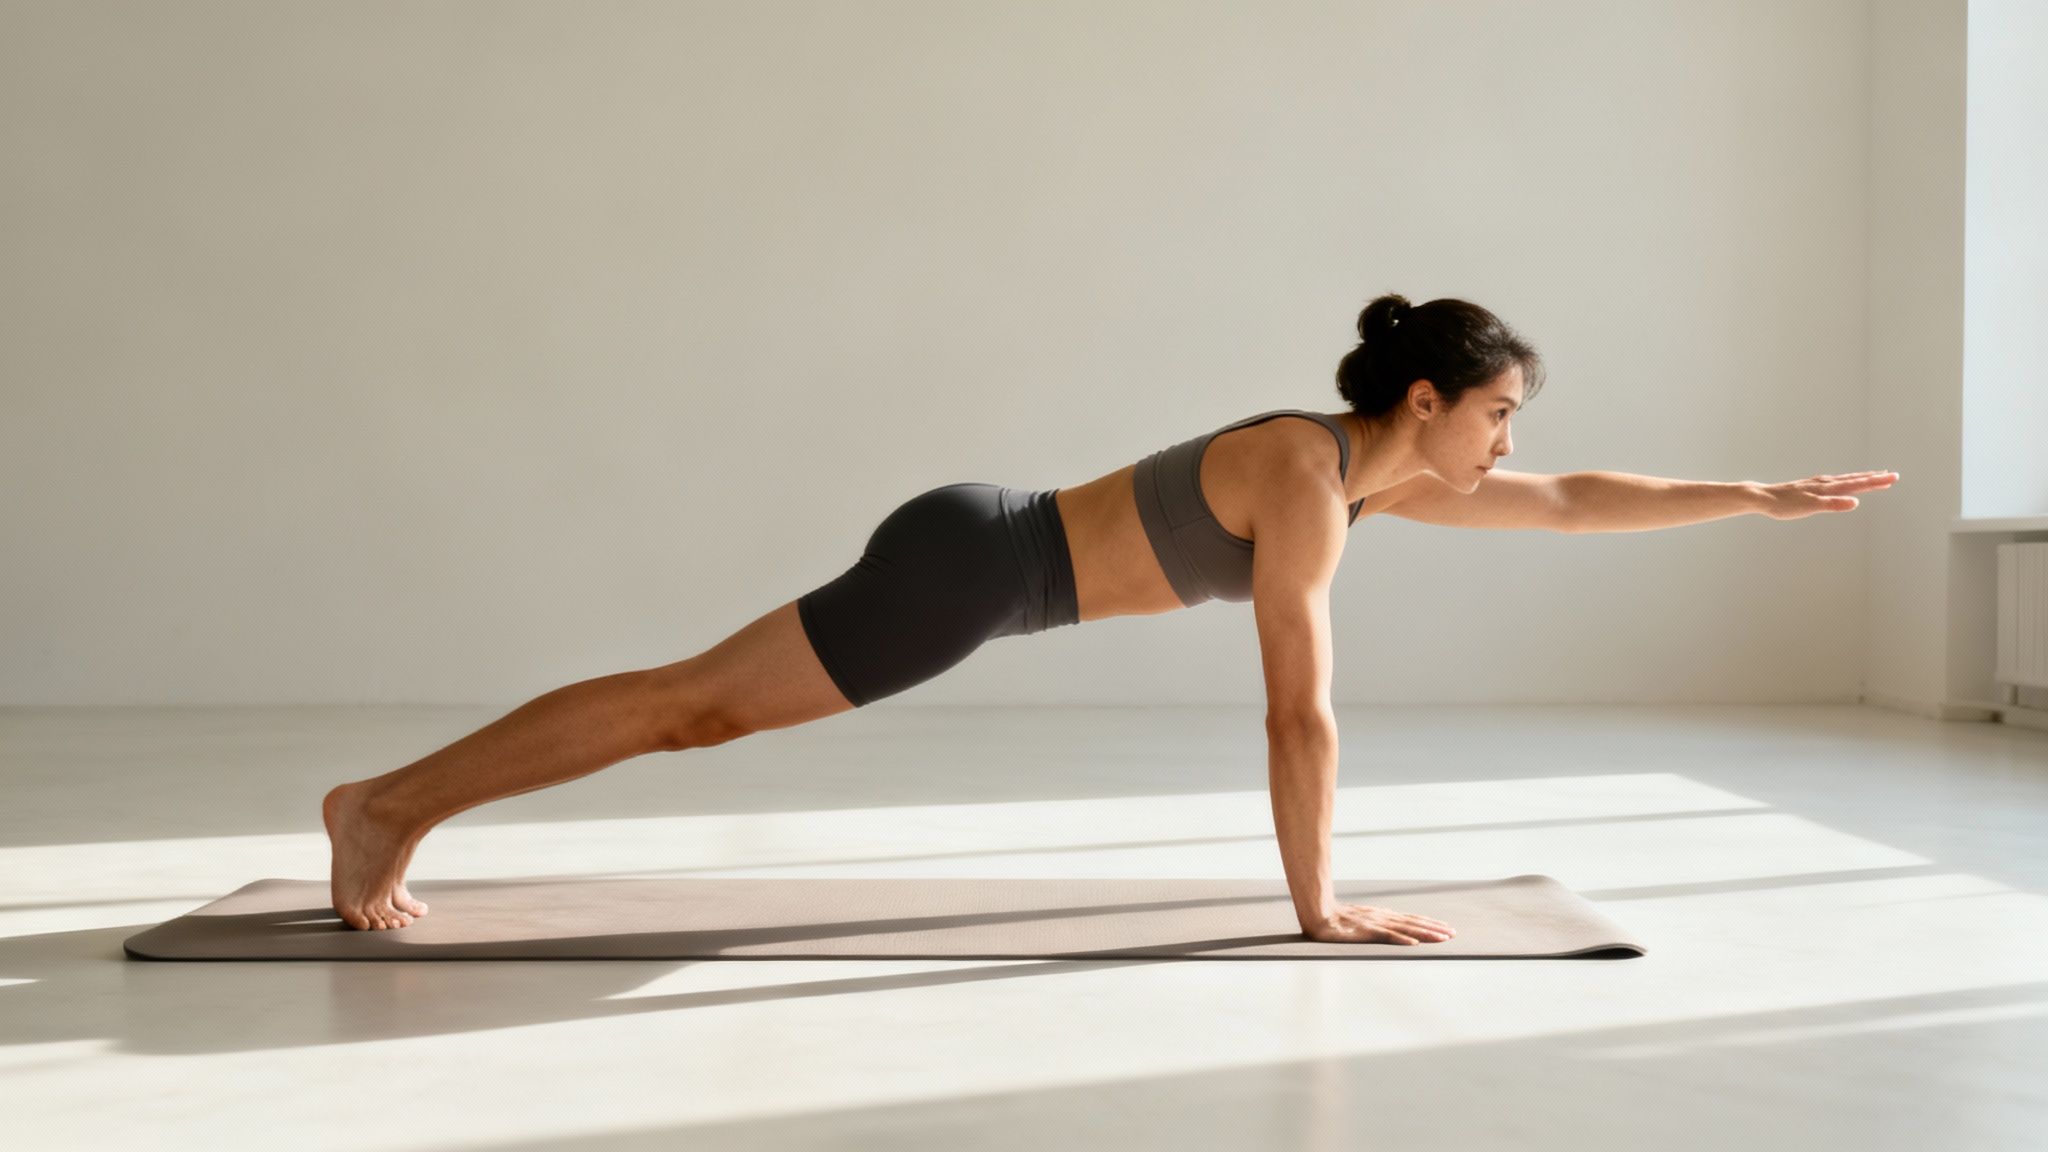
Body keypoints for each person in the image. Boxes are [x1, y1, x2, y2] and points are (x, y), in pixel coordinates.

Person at [322, 293, 1899, 941]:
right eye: (1494, 413)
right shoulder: (1302, 474)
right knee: (692, 706)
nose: (1509, 444)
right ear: (1425, 400)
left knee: (694, 700)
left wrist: (1752, 498)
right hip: (971, 573)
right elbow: (1300, 706)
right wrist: (1317, 908)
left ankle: (390, 806)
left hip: (981, 569)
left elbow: (1572, 502)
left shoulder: (1376, 478)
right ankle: (384, 808)